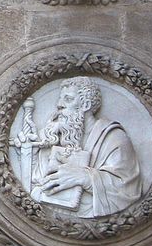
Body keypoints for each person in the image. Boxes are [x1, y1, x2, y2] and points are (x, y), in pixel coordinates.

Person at [28, 78, 143, 218]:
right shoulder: (57, 138)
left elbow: (127, 189)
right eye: (60, 99)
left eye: (68, 99)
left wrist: (86, 177)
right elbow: (38, 184)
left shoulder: (114, 138)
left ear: (86, 105)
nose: (59, 105)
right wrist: (34, 152)